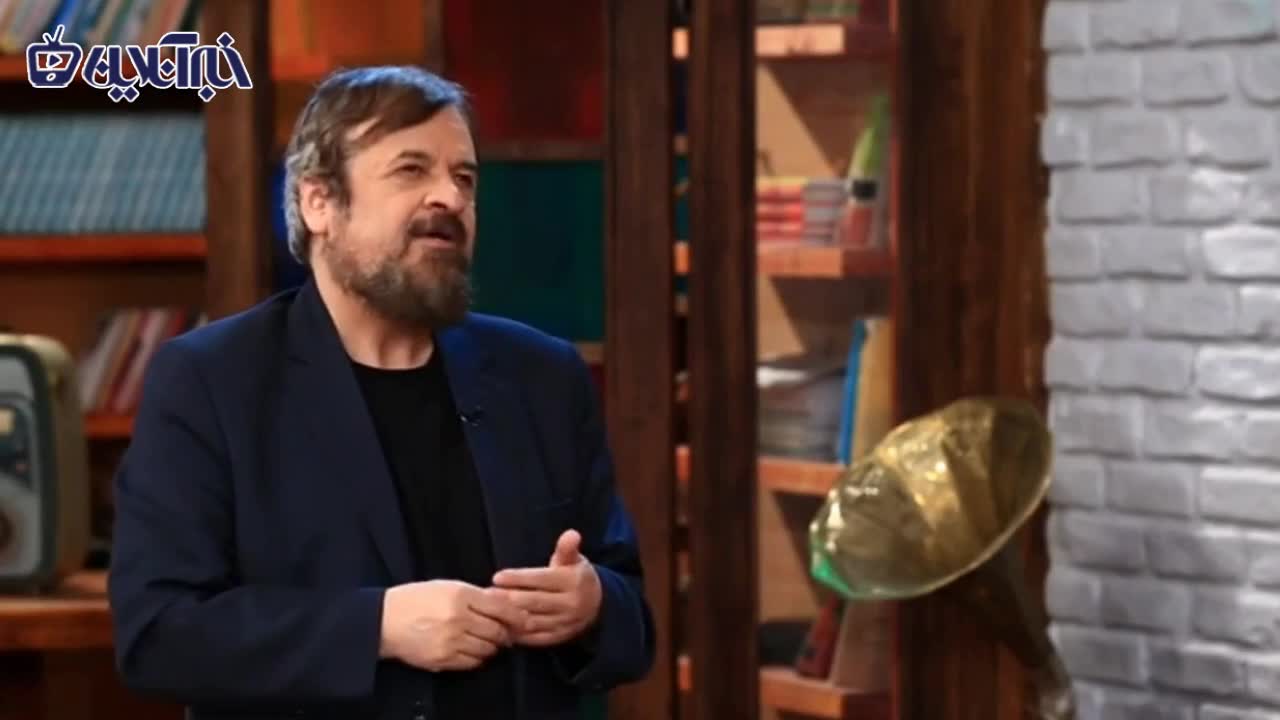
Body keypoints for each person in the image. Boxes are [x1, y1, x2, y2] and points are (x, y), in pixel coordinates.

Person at [107, 66, 655, 719]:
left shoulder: (542, 377)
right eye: (411, 170)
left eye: (464, 178)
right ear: (319, 203)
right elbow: (159, 634)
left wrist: (593, 605)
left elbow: (633, 624)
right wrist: (377, 628)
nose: (449, 197)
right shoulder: (211, 381)